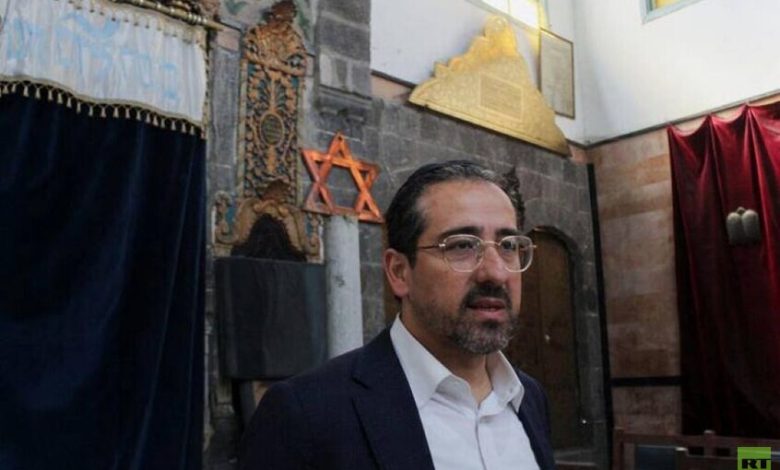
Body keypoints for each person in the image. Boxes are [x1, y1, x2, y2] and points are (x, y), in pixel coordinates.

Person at [239, 160, 554, 470]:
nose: (496, 273)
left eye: (508, 246)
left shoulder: (529, 398)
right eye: (461, 246)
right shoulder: (306, 415)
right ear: (399, 272)